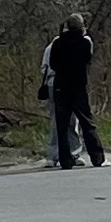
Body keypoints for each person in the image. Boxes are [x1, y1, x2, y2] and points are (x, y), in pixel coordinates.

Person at [49, 13, 110, 170]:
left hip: (60, 87)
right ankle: (98, 158)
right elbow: (87, 59)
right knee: (87, 123)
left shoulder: (58, 43)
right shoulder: (84, 43)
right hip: (78, 87)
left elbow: (53, 64)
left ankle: (65, 160)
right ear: (82, 26)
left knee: (62, 125)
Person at [41, 28, 85, 168]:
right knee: (68, 120)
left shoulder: (55, 45)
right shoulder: (60, 45)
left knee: (61, 120)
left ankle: (60, 155)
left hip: (55, 83)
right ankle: (67, 153)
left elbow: (44, 67)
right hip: (58, 82)